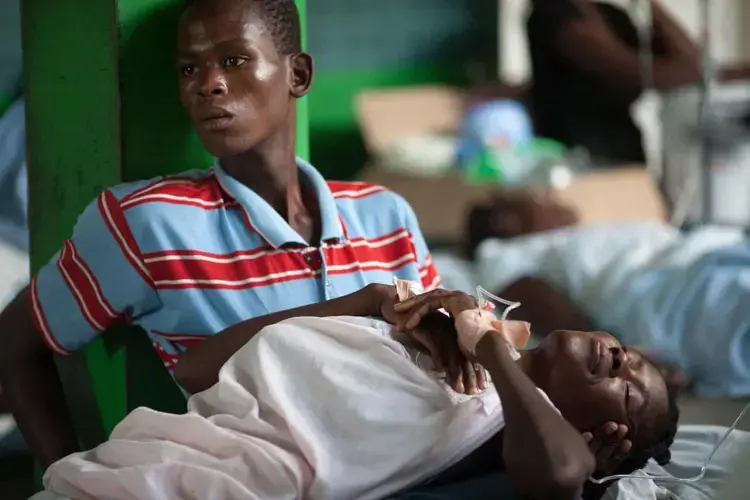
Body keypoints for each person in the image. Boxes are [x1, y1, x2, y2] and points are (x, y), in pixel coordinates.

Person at [0, 0, 475, 471]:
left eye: (234, 60)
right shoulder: (149, 222)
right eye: (189, 68)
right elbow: (14, 340)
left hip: (424, 468)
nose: (208, 84)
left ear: (298, 76)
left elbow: (442, 367)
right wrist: (64, 475)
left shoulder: (384, 215)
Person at [37, 289, 678, 500]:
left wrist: (490, 349)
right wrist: (366, 300)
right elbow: (200, 367)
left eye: (629, 392)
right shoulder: (430, 317)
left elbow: (562, 472)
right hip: (132, 461)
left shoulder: (494, 416)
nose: (625, 361)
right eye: (635, 356)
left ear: (602, 441)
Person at [526, 0, 750, 165]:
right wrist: (716, 75)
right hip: (578, 158)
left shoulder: (613, 15)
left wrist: (654, 7)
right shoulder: (552, 15)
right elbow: (634, 71)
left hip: (626, 153)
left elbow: (688, 59)